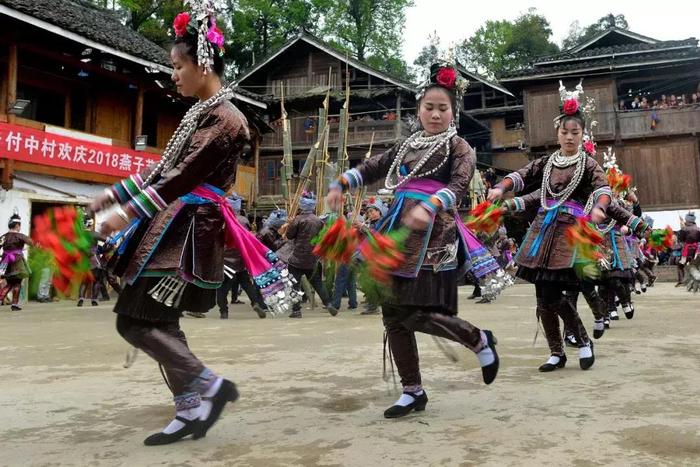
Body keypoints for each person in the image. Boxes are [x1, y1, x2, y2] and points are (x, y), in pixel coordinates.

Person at [87, 5, 297, 445]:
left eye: (178, 66)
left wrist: (124, 212)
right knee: (155, 321)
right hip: (172, 225)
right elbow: (162, 170)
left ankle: (208, 386)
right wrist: (114, 194)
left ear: (203, 63)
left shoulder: (227, 120)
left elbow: (180, 178)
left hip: (186, 234)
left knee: (136, 320)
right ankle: (191, 410)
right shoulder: (201, 113)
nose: (174, 75)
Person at [326, 63, 499, 419]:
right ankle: (413, 390)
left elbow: (459, 184)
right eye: (429, 107)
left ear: (454, 112)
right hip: (397, 228)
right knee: (392, 314)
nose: (435, 114)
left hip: (434, 230)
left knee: (419, 312)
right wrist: (343, 182)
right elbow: (375, 167)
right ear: (418, 109)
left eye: (443, 108)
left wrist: (432, 204)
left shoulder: (459, 146)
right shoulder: (406, 144)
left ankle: (478, 339)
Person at [490, 81, 610, 373]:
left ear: (583, 134)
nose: (569, 137)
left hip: (569, 234)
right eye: (564, 132)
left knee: (554, 294)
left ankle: (582, 340)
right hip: (543, 231)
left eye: (575, 132)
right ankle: (557, 352)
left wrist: (599, 207)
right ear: (557, 132)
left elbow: (604, 190)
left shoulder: (589, 164)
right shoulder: (547, 162)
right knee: (543, 297)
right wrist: (503, 190)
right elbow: (523, 177)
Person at [217, 194, 267, 319]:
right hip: (240, 257)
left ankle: (224, 311)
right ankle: (255, 303)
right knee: (246, 284)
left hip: (226, 258)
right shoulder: (244, 220)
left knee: (223, 286)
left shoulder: (222, 219)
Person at [284, 194, 334, 318]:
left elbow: (289, 235)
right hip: (312, 259)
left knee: (294, 285)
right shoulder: (319, 221)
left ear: (302, 205)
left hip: (297, 258)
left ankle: (296, 310)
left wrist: (290, 224)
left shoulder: (297, 219)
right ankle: (328, 304)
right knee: (318, 283)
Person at [0, 214, 33, 311]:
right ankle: (14, 304)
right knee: (17, 283)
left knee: (9, 283)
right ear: (17, 226)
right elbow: (32, 243)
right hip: (17, 261)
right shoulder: (20, 236)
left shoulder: (3, 237)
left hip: (5, 261)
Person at [678, 212, 700, 286]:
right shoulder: (698, 229)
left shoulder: (684, 229)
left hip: (687, 250)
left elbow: (681, 240)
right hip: (697, 250)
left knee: (680, 265)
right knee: (694, 266)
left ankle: (681, 281)